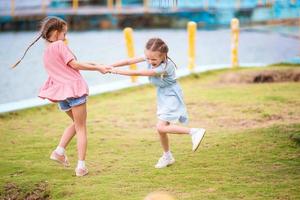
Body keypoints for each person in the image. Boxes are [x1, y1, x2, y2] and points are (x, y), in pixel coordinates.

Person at [12, 16, 111, 176]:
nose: (66, 37)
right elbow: (74, 65)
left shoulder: (46, 52)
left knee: (76, 124)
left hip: (62, 95)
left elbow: (67, 66)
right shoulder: (60, 45)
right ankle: (81, 167)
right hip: (74, 91)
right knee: (81, 127)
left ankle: (59, 151)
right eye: (64, 33)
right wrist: (98, 69)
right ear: (57, 33)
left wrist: (96, 64)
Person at [108, 38, 206, 169]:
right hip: (163, 95)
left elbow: (140, 72)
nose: (149, 61)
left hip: (171, 96)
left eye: (153, 60)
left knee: (160, 127)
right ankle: (167, 156)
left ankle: (194, 132)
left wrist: (115, 71)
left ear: (163, 56)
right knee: (161, 129)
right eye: (147, 58)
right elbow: (128, 61)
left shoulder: (165, 67)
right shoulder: (151, 56)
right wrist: (110, 66)